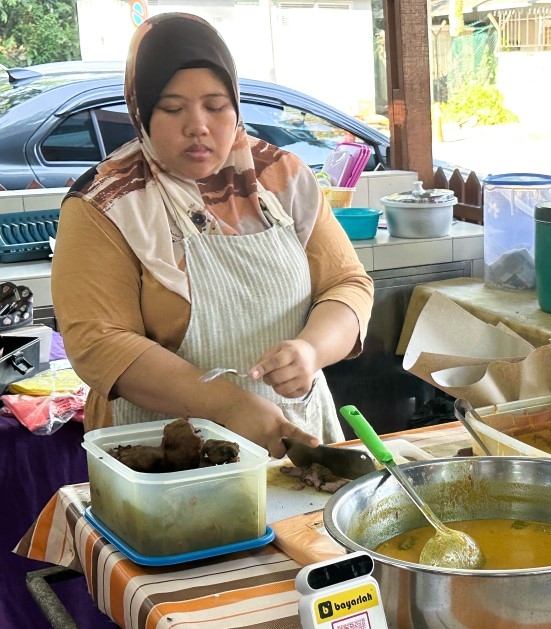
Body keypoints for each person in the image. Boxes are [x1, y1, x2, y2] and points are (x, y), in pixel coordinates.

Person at [51, 13, 374, 458]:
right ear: (141, 111)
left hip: (295, 437)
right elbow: (100, 343)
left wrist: (312, 350)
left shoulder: (280, 176)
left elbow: (347, 284)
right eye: (172, 108)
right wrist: (229, 405)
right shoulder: (106, 202)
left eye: (216, 105)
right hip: (162, 459)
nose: (198, 125)